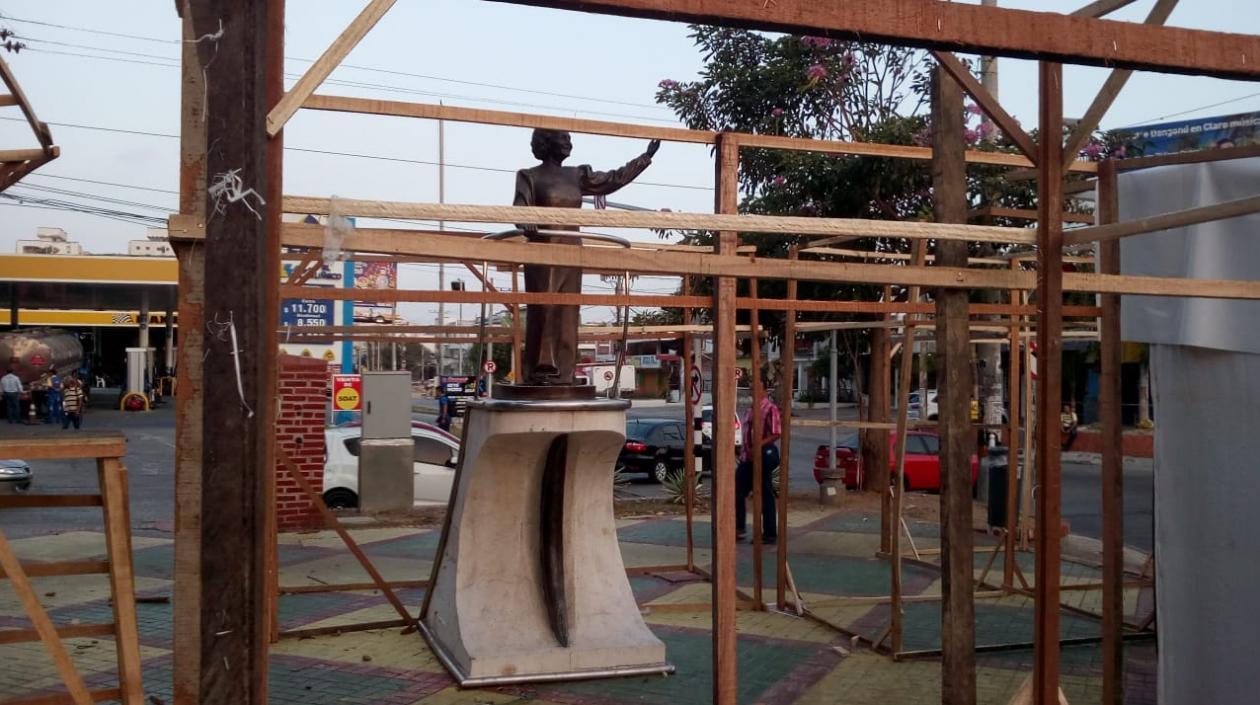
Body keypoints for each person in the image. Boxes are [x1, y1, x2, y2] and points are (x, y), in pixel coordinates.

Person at [513, 129, 659, 385]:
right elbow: (519, 209)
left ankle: (565, 373)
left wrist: (644, 159)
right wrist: (527, 221)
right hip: (543, 253)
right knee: (544, 310)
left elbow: (613, 180)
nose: (569, 143)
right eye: (563, 138)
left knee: (569, 311)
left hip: (572, 253)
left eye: (570, 139)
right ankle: (541, 371)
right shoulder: (529, 176)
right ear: (546, 142)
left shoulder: (577, 175)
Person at [735, 387, 782, 544]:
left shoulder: (770, 408)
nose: (753, 389)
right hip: (746, 458)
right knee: (737, 490)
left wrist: (759, 445)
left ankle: (769, 533)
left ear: (764, 390)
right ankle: (739, 528)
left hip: (761, 456)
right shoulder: (750, 409)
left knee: (764, 492)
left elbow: (776, 432)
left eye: (757, 386)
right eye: (751, 387)